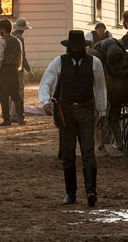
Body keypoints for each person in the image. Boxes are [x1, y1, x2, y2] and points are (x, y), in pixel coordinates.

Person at [39, 29, 108, 208]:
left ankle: (91, 191)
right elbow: (46, 82)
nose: (76, 49)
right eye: (74, 47)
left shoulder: (95, 63)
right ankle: (70, 193)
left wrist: (102, 111)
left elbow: (100, 88)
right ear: (69, 47)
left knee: (88, 152)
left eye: (79, 47)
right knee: (68, 155)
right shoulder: (58, 62)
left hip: (86, 110)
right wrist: (46, 101)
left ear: (83, 47)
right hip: (66, 112)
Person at [0, 19, 24, 126]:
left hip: (4, 70)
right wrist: (17, 68)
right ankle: (20, 118)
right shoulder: (17, 41)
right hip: (14, 69)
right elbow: (20, 57)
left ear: (3, 29)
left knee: (4, 95)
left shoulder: (2, 41)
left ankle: (6, 119)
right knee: (16, 94)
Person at [12, 17, 32, 117]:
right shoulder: (20, 39)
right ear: (23, 29)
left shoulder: (9, 37)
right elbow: (22, 56)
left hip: (9, 68)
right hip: (18, 68)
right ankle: (17, 113)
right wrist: (29, 70)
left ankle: (9, 113)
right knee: (19, 91)